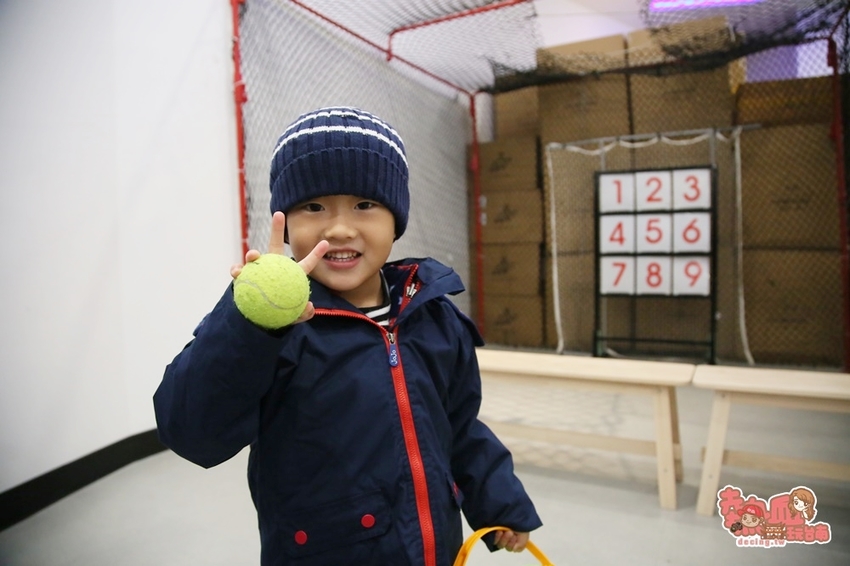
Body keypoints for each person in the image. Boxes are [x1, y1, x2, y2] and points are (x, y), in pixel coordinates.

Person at [153, 106, 542, 565]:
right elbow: (193, 433)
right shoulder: (276, 328)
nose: (339, 228)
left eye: (364, 205)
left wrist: (498, 503)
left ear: (395, 218)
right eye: (313, 206)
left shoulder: (434, 316)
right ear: (286, 220)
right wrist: (249, 325)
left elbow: (458, 428)